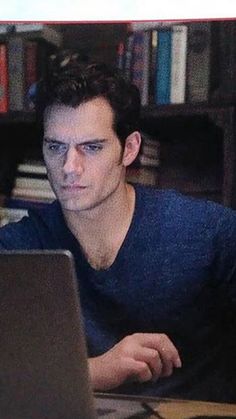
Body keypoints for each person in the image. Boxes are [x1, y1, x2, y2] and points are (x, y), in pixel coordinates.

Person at [0, 62, 236, 403]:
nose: (69, 167)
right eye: (55, 147)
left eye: (91, 147)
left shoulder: (211, 234)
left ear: (129, 149)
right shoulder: (17, 249)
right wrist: (97, 371)